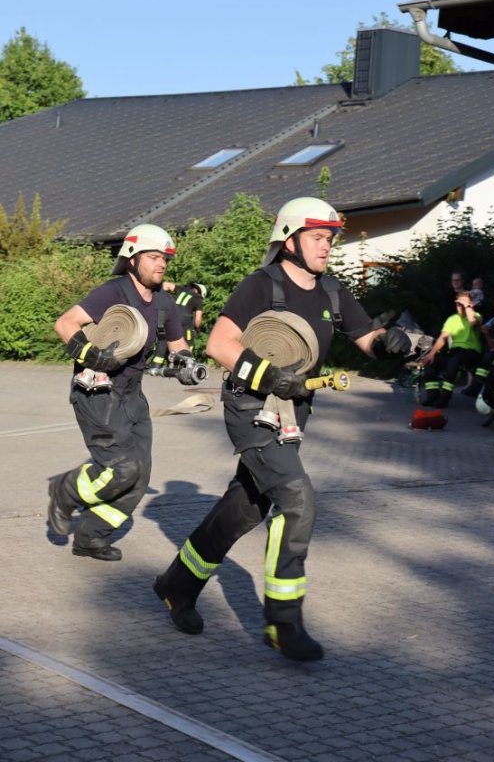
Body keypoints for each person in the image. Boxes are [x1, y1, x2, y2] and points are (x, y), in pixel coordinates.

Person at [152, 197, 411, 661]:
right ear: (289, 240)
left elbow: (366, 338)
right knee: (297, 498)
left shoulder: (333, 291)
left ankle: (177, 584)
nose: (327, 246)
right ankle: (282, 623)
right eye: (317, 237)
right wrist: (268, 375)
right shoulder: (261, 285)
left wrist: (390, 344)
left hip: (295, 410)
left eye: (330, 239)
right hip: (251, 405)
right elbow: (219, 344)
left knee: (247, 507)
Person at [48, 224, 193, 561]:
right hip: (97, 391)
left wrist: (186, 365)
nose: (162, 264)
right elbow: (65, 323)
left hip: (132, 393)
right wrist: (88, 353)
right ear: (132, 258)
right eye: (154, 257)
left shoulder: (165, 303)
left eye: (165, 259)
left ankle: (91, 537)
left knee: (140, 474)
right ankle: (66, 490)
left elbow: (178, 346)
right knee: (121, 467)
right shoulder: (112, 293)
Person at [420, 290, 482, 408]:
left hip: (471, 351)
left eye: (464, 304)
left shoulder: (476, 316)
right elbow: (442, 338)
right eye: (459, 304)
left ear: (471, 305)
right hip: (455, 351)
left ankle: (445, 398)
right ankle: (432, 396)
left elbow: (473, 323)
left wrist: (467, 306)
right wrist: (432, 354)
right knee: (432, 362)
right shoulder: (452, 319)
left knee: (454, 361)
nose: (460, 306)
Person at [462, 295, 494, 398]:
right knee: (489, 360)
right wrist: (487, 333)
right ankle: (491, 394)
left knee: (491, 356)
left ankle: (477, 385)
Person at [162, 281, 205, 350]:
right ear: (200, 293)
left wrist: (160, 296)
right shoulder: (198, 298)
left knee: (166, 343)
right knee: (189, 345)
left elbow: (166, 285)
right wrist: (197, 328)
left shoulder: (182, 289)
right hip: (184, 323)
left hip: (170, 318)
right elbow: (198, 319)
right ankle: (186, 357)